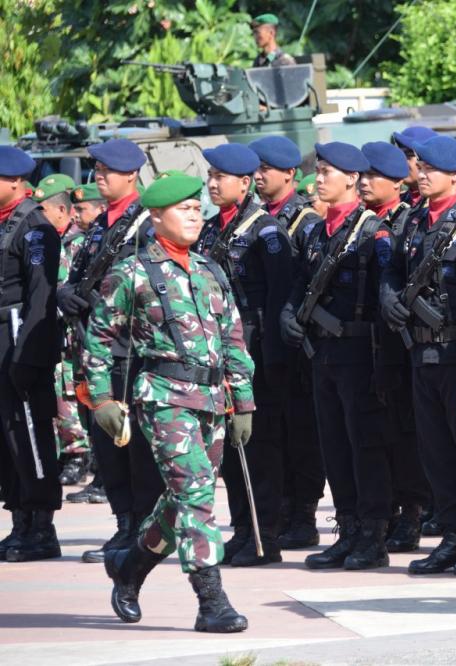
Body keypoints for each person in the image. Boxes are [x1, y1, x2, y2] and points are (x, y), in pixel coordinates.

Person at [85, 172, 254, 633]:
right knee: (197, 490)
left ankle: (131, 566)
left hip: (212, 400)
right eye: (183, 209)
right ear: (156, 216)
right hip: (164, 398)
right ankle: (212, 601)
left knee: (182, 500)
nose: (195, 214)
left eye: (198, 208)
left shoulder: (208, 269)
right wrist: (100, 398)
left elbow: (234, 338)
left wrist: (243, 402)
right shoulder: (132, 271)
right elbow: (99, 338)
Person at [380, 135, 456, 575]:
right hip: (422, 352)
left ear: (455, 176)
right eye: (421, 167)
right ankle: (450, 534)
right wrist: (388, 294)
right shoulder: (413, 221)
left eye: (432, 169)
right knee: (434, 451)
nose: (423, 174)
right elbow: (392, 269)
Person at [281, 142, 396, 571]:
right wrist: (289, 313)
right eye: (319, 170)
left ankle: (373, 534)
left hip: (359, 355)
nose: (319, 178)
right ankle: (347, 528)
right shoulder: (316, 232)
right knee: (333, 445)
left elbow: (387, 298)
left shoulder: (373, 233)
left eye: (328, 171)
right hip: (323, 355)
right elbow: (299, 284)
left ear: (352, 178)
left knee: (365, 445)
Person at [57, 139, 164, 564]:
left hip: (131, 350)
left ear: (131, 175)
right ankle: (124, 522)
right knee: (108, 443)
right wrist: (66, 293)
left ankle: (142, 526)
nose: (98, 177)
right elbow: (81, 274)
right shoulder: (102, 224)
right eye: (96, 171)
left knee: (136, 443)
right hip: (98, 348)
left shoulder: (146, 223)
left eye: (106, 172)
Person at [195, 144, 293, 567]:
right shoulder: (212, 229)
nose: (213, 184)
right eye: (210, 176)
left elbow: (277, 300)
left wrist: (271, 360)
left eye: (222, 177)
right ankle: (241, 529)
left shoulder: (266, 232)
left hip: (252, 351)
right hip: (219, 350)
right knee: (230, 447)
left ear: (246, 181)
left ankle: (264, 535)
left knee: (259, 445)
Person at [249, 136, 325, 551]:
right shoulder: (259, 218)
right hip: (264, 341)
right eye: (256, 169)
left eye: (266, 169)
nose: (258, 176)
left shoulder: (306, 221)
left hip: (296, 348)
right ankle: (277, 508)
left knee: (300, 431)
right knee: (270, 432)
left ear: (289, 175)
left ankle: (304, 512)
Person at [360, 140, 431, 554]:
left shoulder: (403, 222)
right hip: (374, 345)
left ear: (397, 184)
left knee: (406, 434)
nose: (365, 183)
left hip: (402, 345)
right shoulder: (369, 223)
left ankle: (413, 513)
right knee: (382, 434)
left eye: (374, 177)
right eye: (363, 176)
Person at [0, 147, 62, 563]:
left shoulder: (35, 229)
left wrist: (29, 358)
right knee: (7, 437)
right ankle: (19, 517)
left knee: (31, 433)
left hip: (21, 337)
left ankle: (41, 525)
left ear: (16, 183)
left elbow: (42, 295)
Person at [36, 175, 92, 486]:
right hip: (52, 333)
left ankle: (79, 453)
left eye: (43, 209)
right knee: (59, 392)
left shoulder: (78, 243)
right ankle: (68, 451)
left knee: (73, 393)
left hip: (74, 334)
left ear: (61, 210)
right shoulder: (44, 239)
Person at [391, 126, 437, 207]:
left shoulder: (438, 203)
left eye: (408, 156)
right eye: (400, 155)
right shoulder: (399, 201)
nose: (402, 162)